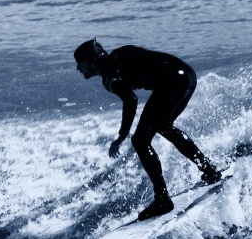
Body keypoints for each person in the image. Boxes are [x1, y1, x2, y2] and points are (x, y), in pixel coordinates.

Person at [74, 38, 222, 221]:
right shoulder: (120, 53)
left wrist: (121, 136)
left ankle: (163, 199)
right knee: (163, 126)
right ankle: (209, 170)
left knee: (140, 141)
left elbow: (130, 99)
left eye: (79, 63)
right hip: (187, 75)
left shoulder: (109, 76)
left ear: (90, 61)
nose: (78, 69)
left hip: (172, 82)